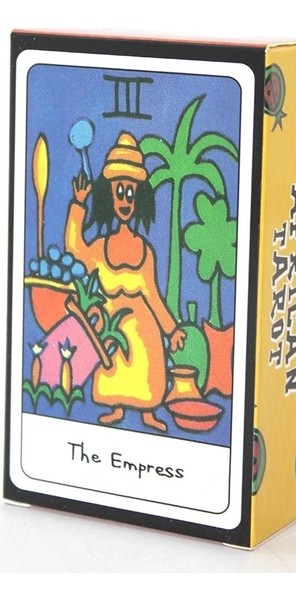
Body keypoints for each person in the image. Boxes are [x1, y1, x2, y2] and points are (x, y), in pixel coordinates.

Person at [66, 131, 185, 432]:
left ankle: (148, 412)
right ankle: (117, 408)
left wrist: (171, 330)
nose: (124, 200)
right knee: (113, 370)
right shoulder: (100, 247)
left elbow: (153, 296)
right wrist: (78, 205)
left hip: (144, 331)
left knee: (148, 369)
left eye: (130, 193)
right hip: (112, 330)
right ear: (108, 195)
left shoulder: (145, 251)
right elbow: (75, 249)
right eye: (119, 191)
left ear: (139, 197)